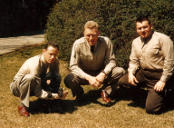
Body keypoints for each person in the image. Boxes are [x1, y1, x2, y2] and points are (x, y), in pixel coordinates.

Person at [118, 16, 174, 114]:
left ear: (151, 26)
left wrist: (163, 80)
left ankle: (166, 95)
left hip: (158, 75)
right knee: (123, 82)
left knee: (151, 109)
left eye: (145, 27)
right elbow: (133, 61)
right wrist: (131, 73)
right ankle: (149, 96)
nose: (142, 30)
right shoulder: (135, 42)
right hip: (143, 73)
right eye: (139, 28)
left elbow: (170, 62)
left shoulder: (163, 39)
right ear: (136, 29)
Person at [64, 21, 125, 103]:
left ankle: (106, 91)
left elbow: (112, 61)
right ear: (83, 34)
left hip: (101, 72)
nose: (91, 38)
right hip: (84, 74)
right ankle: (79, 94)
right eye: (88, 35)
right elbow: (73, 66)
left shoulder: (106, 42)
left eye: (94, 35)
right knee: (69, 79)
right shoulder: (78, 44)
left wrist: (103, 73)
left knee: (120, 71)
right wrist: (88, 77)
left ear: (98, 33)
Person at [10, 43, 68, 117]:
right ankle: (23, 106)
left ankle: (52, 103)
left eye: (55, 55)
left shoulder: (55, 61)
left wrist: (59, 91)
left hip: (35, 82)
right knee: (29, 78)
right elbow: (38, 91)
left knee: (57, 76)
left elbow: (56, 78)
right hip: (17, 88)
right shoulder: (35, 64)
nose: (53, 57)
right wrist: (54, 95)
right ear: (43, 51)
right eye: (50, 54)